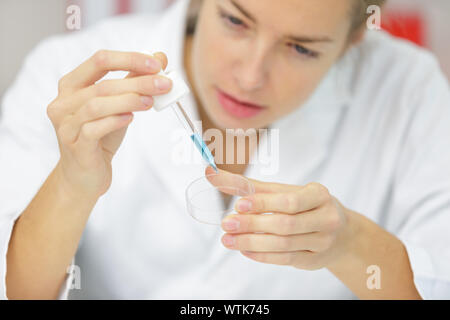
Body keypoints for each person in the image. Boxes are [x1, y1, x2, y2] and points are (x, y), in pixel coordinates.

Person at [1, 0, 449, 300]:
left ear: (354, 39)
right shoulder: (67, 71)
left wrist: (350, 244)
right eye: (236, 21)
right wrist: (72, 184)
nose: (251, 76)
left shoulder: (407, 91)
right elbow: (17, 291)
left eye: (301, 48)